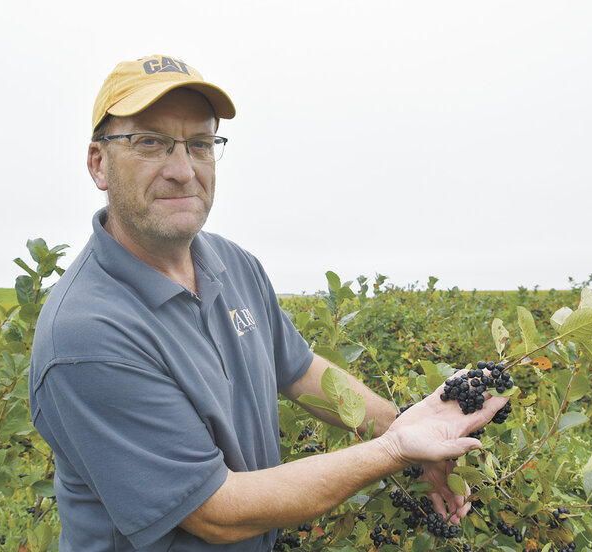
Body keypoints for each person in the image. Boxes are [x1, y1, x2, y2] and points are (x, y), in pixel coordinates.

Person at [29, 54, 509, 551]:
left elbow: (300, 372)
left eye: (200, 144)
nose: (182, 169)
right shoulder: (87, 333)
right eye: (149, 142)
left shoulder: (233, 264)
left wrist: (405, 423)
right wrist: (395, 450)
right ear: (98, 163)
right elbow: (217, 513)